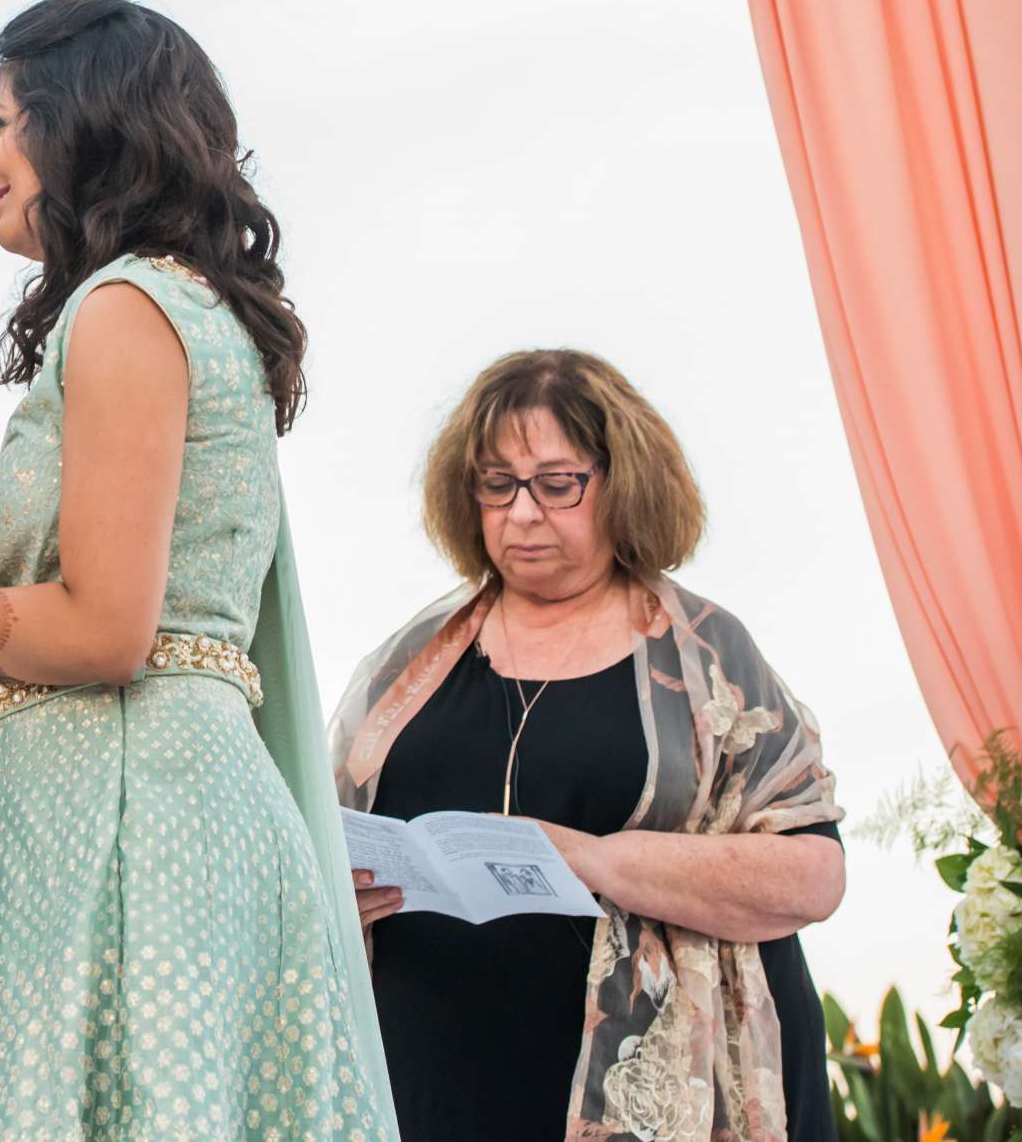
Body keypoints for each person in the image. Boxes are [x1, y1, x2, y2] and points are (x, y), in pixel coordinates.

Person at [0, 0, 396, 1141]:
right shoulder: (191, 309)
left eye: (0, 124)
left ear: (84, 126)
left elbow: (107, 629)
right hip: (157, 804)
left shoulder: (123, 308)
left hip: (121, 821)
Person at [331, 349, 844, 1142]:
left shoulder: (707, 656)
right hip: (430, 1085)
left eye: (556, 483)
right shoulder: (407, 664)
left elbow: (813, 877)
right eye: (496, 484)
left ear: (623, 482)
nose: (523, 513)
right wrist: (340, 891)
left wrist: (593, 859)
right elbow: (320, 831)